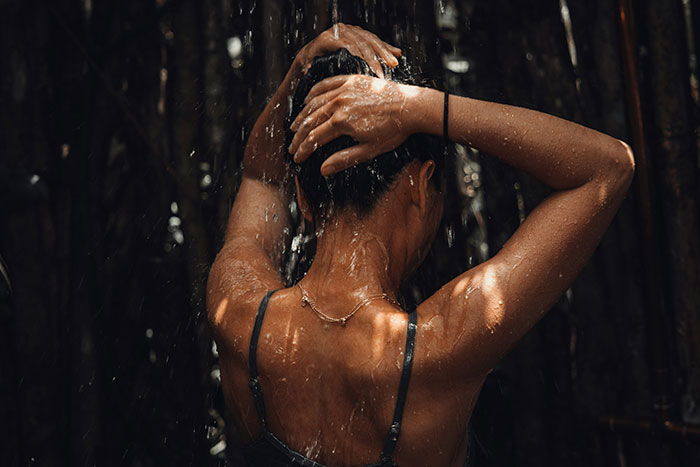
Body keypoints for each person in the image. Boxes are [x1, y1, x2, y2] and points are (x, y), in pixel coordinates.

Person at [206, 23, 634, 467]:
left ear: (301, 196)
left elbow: (260, 173)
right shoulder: (438, 348)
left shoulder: (238, 312)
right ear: (419, 184)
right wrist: (424, 110)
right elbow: (607, 168)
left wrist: (300, 72)